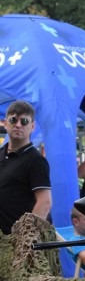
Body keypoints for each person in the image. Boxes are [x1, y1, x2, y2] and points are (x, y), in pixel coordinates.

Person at [0, 100, 51, 234]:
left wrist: (26, 237)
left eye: (24, 122)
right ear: (5, 123)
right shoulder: (1, 153)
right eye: (13, 120)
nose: (18, 125)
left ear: (32, 126)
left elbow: (45, 202)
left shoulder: (35, 160)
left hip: (19, 242)